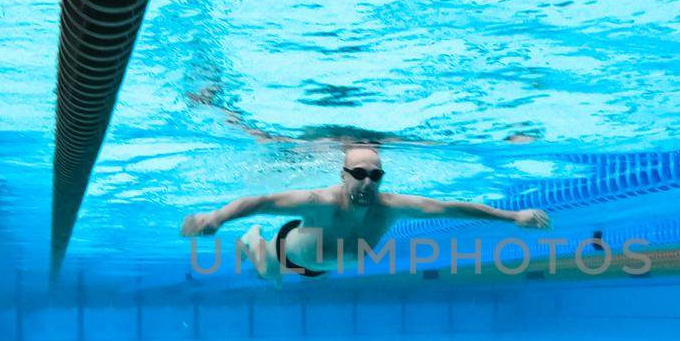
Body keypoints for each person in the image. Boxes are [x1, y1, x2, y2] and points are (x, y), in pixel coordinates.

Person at [180, 144, 551, 279]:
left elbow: (453, 207)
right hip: (288, 252)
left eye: (375, 175)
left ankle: (255, 243)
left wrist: (514, 217)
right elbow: (260, 202)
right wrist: (217, 218)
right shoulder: (320, 200)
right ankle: (253, 240)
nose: (368, 181)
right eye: (358, 174)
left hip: (321, 268)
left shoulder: (392, 207)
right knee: (267, 274)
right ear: (344, 176)